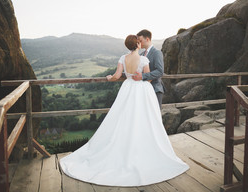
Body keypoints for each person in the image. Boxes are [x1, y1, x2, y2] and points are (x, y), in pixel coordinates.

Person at [59, 35, 189, 187]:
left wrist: (108, 78)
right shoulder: (143, 60)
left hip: (127, 88)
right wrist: (140, 79)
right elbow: (148, 78)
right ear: (138, 44)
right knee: (145, 118)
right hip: (142, 90)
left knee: (124, 117)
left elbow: (116, 76)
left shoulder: (123, 58)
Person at [132, 29, 164, 109]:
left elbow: (160, 71)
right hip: (143, 90)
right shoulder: (141, 54)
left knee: (154, 117)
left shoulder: (157, 52)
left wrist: (142, 76)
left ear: (147, 39)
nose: (138, 43)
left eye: (140, 40)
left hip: (155, 89)